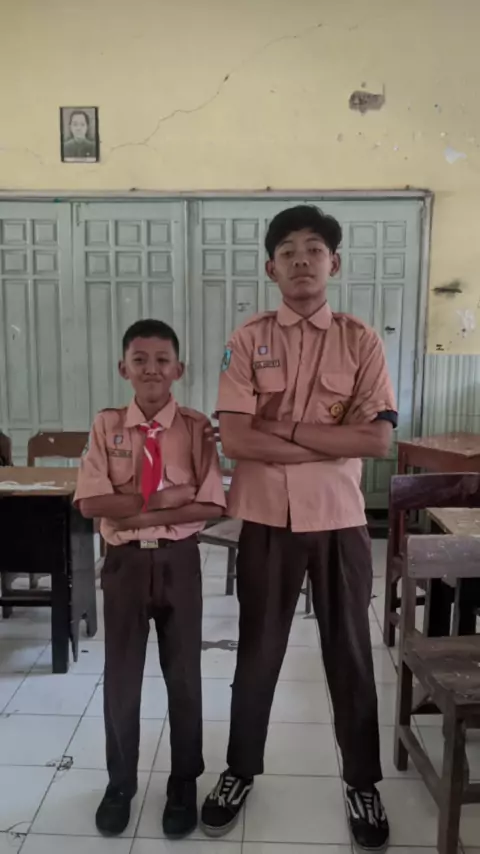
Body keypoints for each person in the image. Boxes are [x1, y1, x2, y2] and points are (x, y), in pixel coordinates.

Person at [201, 206, 397, 852]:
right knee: (257, 652)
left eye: (314, 249)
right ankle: (239, 770)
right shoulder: (247, 339)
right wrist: (327, 440)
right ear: (271, 268)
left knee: (351, 654)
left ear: (333, 263)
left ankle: (362, 781)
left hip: (340, 519)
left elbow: (376, 440)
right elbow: (235, 439)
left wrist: (280, 427)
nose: (302, 260)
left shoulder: (360, 341)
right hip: (265, 519)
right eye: (287, 251)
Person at [75, 318, 226, 839]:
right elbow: (90, 503)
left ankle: (183, 781)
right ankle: (120, 783)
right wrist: (161, 499)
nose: (151, 369)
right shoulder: (107, 426)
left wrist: (132, 512)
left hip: (179, 561)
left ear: (179, 369)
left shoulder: (196, 428)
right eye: (140, 360)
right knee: (121, 677)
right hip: (124, 567)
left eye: (163, 360)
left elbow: (212, 504)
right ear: (124, 368)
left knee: (183, 676)